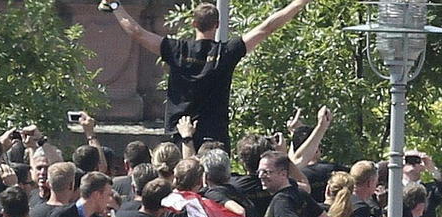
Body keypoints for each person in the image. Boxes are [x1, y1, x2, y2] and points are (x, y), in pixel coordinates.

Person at [107, 0, 311, 148]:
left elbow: (136, 32)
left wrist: (115, 5)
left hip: (182, 132)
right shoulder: (227, 52)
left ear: (193, 24)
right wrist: (298, 3)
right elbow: (266, 28)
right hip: (215, 136)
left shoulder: (176, 49)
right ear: (218, 25)